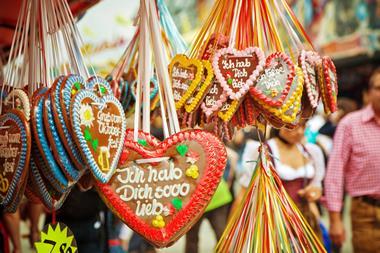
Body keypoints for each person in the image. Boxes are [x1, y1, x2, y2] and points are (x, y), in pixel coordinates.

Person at [238, 123, 326, 240]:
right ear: (278, 124)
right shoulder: (263, 151)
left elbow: (317, 187)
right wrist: (234, 235)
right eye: (292, 126)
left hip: (306, 221)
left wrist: (314, 193)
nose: (299, 131)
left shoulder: (311, 151)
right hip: (274, 225)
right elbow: (244, 194)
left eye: (303, 126)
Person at [325, 68, 380, 252]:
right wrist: (335, 219)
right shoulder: (350, 124)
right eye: (378, 87)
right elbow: (335, 171)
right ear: (367, 93)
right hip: (365, 214)